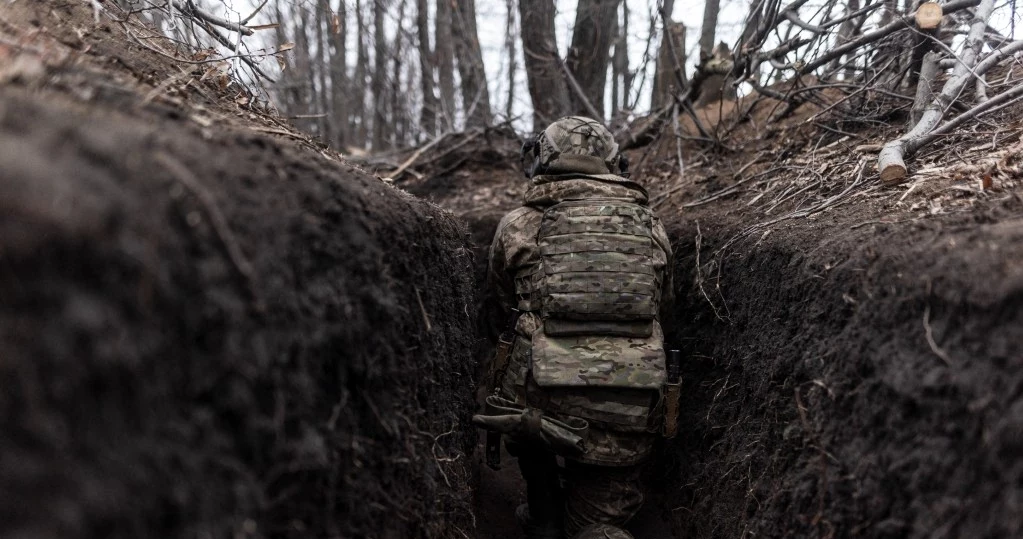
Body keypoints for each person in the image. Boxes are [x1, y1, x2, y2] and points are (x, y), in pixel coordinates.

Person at [474, 116, 675, 539]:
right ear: (612, 164)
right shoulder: (651, 227)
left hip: (538, 405)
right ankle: (595, 525)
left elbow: (498, 308)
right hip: (630, 404)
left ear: (543, 161)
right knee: (598, 526)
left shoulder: (517, 224)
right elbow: (664, 307)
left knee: (520, 390)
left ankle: (544, 509)